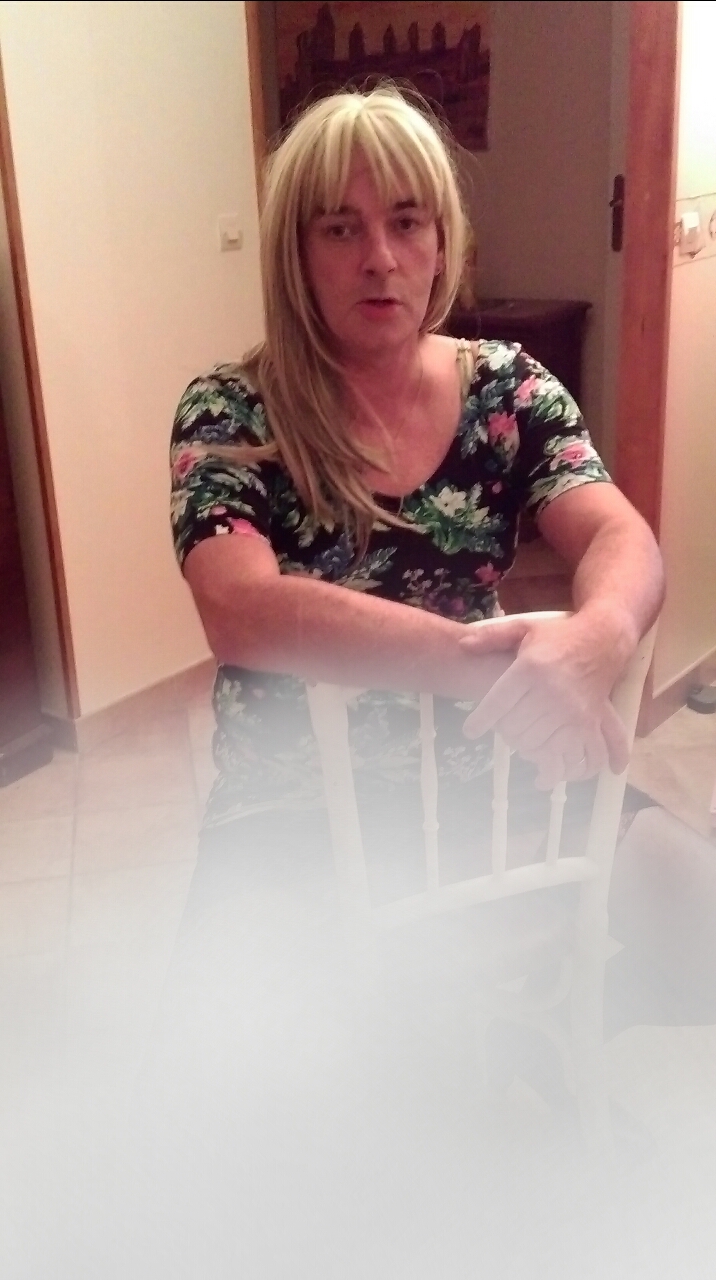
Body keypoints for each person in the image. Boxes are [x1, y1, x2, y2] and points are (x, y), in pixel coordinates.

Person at [170, 85, 663, 882]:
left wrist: (599, 637)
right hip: (291, 810)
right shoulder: (230, 411)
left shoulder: (509, 390)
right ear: (296, 254)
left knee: (680, 886)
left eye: (406, 222)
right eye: (340, 228)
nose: (380, 258)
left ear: (441, 243)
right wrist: (485, 665)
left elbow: (618, 533)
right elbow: (239, 609)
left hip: (484, 780)